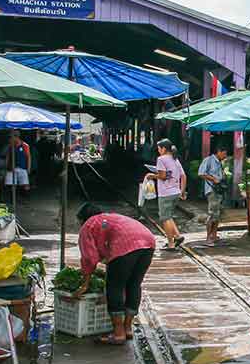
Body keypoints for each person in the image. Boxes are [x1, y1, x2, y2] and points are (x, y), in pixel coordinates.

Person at [74, 203, 156, 345]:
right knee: (134, 284)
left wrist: (85, 284)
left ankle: (118, 333)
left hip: (126, 245)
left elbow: (89, 258)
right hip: (148, 242)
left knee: (114, 286)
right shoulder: (111, 218)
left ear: (82, 218)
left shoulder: (88, 225)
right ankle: (128, 329)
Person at [145, 139, 186, 250]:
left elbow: (162, 176)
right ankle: (177, 236)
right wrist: (182, 191)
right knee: (169, 216)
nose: (158, 151)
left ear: (163, 149)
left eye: (159, 148)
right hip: (176, 192)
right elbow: (183, 176)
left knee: (165, 218)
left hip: (166, 193)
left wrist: (151, 175)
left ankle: (171, 244)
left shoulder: (161, 159)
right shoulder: (175, 159)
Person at [198, 146, 227, 247]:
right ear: (219, 151)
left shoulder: (220, 162)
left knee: (217, 214)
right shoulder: (209, 160)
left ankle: (214, 236)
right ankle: (208, 238)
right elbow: (201, 173)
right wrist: (213, 179)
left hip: (219, 191)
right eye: (224, 153)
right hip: (212, 190)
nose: (225, 156)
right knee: (212, 214)